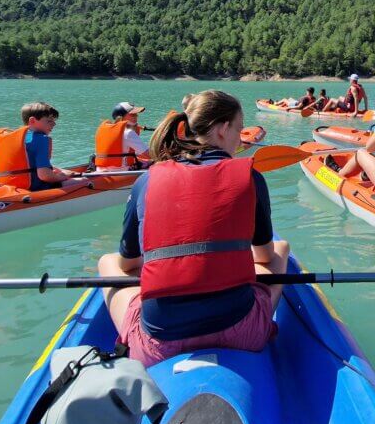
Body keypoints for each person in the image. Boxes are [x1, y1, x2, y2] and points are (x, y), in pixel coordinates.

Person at [97, 90, 290, 367]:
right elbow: (263, 256)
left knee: (108, 261)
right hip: (242, 333)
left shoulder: (147, 179)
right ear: (223, 129)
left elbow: (129, 262)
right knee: (280, 248)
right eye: (239, 128)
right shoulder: (251, 177)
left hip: (159, 344)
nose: (240, 137)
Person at [0, 102, 90, 191]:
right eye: (49, 121)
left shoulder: (19, 138)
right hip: (36, 187)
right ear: (33, 121)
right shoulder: (41, 139)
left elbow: (30, 165)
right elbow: (44, 175)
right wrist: (62, 177)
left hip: (12, 186)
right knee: (85, 180)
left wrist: (60, 171)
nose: (54, 124)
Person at [94, 102, 151, 171]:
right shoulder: (129, 133)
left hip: (100, 170)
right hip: (121, 171)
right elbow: (148, 155)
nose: (136, 116)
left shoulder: (103, 130)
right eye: (132, 114)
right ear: (121, 117)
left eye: (136, 114)